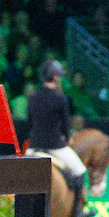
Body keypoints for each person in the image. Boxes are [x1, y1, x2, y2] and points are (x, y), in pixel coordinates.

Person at [26, 59, 84, 192]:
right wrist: (68, 138)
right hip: (55, 146)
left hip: (34, 146)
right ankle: (77, 211)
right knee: (80, 171)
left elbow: (29, 124)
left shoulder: (33, 98)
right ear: (56, 78)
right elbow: (65, 124)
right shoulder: (60, 99)